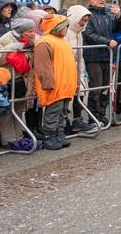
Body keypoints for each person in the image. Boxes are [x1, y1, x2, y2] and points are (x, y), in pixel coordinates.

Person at [33, 14, 78, 151]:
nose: (66, 29)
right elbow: (43, 66)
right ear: (56, 27)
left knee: (63, 112)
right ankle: (49, 136)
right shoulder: (45, 42)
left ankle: (59, 133)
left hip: (65, 85)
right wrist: (48, 83)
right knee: (53, 113)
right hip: (55, 86)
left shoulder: (62, 41)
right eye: (64, 27)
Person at [0, 18, 39, 141]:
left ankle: (19, 137)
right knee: (6, 111)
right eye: (29, 31)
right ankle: (9, 140)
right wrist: (12, 48)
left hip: (24, 80)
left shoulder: (34, 39)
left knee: (18, 110)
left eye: (34, 30)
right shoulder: (6, 39)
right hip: (8, 79)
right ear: (20, 32)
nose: (33, 34)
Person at [81, 0, 121, 125]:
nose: (103, 0)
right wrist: (107, 42)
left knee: (106, 87)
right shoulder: (87, 14)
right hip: (93, 56)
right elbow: (88, 34)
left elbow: (117, 29)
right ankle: (93, 117)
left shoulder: (108, 13)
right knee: (96, 88)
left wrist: (118, 17)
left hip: (107, 56)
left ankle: (101, 114)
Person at [64, 5, 97, 133]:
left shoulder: (79, 33)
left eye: (86, 20)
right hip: (68, 67)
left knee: (81, 92)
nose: (84, 22)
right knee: (68, 95)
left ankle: (77, 119)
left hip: (79, 67)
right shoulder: (66, 31)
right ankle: (65, 121)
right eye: (82, 19)